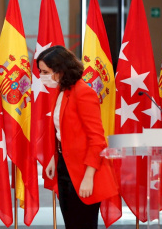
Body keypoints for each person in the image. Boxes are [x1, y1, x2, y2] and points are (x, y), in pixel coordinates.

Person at [37, 45, 119, 229]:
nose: (42, 76)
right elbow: (62, 131)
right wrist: (53, 158)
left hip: (85, 170)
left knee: (82, 223)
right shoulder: (61, 90)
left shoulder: (83, 92)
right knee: (71, 223)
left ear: (60, 70)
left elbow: (97, 140)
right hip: (64, 166)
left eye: (45, 72)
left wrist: (89, 177)